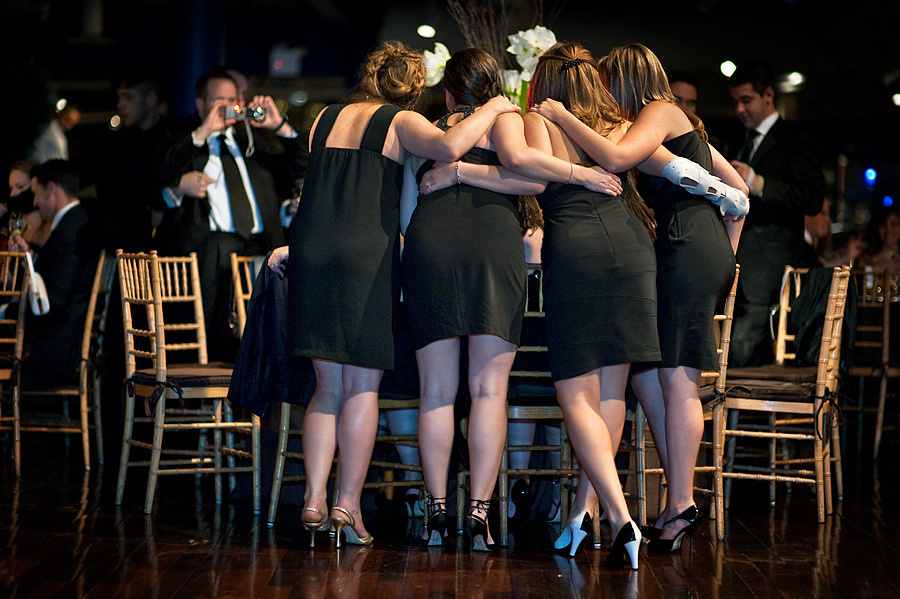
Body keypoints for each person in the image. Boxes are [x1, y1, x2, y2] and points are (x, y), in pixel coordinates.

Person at [265, 40, 520, 549]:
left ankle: (314, 497)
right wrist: (495, 105)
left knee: (325, 387)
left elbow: (313, 188)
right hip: (365, 255)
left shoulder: (321, 119)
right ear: (411, 88)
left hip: (312, 250)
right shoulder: (399, 122)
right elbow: (448, 150)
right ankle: (349, 506)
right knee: (362, 388)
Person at [424, 41, 660, 567]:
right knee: (613, 390)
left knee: (575, 393)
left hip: (578, 247)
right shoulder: (620, 124)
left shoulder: (539, 119)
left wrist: (462, 171)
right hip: (633, 248)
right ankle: (583, 513)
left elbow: (524, 165)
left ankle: (620, 515)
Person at [532, 42, 746, 555]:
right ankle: (597, 508)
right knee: (643, 379)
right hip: (685, 248)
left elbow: (616, 158)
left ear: (623, 80)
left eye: (609, 81)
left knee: (675, 381)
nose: (603, 92)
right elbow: (739, 193)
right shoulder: (681, 123)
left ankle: (677, 503)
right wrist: (725, 252)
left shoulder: (656, 114)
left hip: (681, 247)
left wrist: (559, 113)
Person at [400, 48, 591, 550]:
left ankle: (437, 512)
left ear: (447, 90)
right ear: (495, 84)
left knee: (435, 391)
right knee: (489, 391)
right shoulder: (504, 117)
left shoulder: (425, 127)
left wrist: (456, 173)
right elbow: (533, 177)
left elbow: (406, 207)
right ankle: (481, 514)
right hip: (491, 247)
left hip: (430, 245)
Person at [160, 66, 306, 362]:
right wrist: (203, 131)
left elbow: (304, 166)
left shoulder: (253, 141)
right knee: (212, 340)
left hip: (258, 249)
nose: (229, 107)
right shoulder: (183, 137)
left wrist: (280, 127)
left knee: (264, 339)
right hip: (208, 252)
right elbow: (160, 172)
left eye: (233, 99)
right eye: (219, 101)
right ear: (201, 104)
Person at [727, 59, 825, 367]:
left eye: (747, 100)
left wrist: (758, 182)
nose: (740, 109)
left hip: (770, 269)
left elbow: (811, 199)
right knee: (734, 355)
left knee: (744, 357)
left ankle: (742, 416)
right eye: (735, 102)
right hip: (739, 263)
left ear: (768, 95)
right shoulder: (741, 141)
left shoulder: (795, 139)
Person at [8, 159, 100, 387]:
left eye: (37, 193)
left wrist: (5, 312)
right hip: (60, 341)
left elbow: (51, 303)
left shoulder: (71, 233)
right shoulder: (76, 223)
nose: (35, 202)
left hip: (51, 350)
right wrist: (29, 256)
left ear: (52, 189)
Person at [90, 64, 174, 253]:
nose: (120, 104)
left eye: (127, 97)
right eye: (119, 97)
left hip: (161, 253)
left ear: (150, 99)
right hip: (122, 251)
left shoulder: (173, 143)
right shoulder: (114, 146)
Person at [4, 160, 50, 251]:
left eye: (20, 187)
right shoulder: (15, 222)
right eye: (11, 188)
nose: (13, 194)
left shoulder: (50, 225)